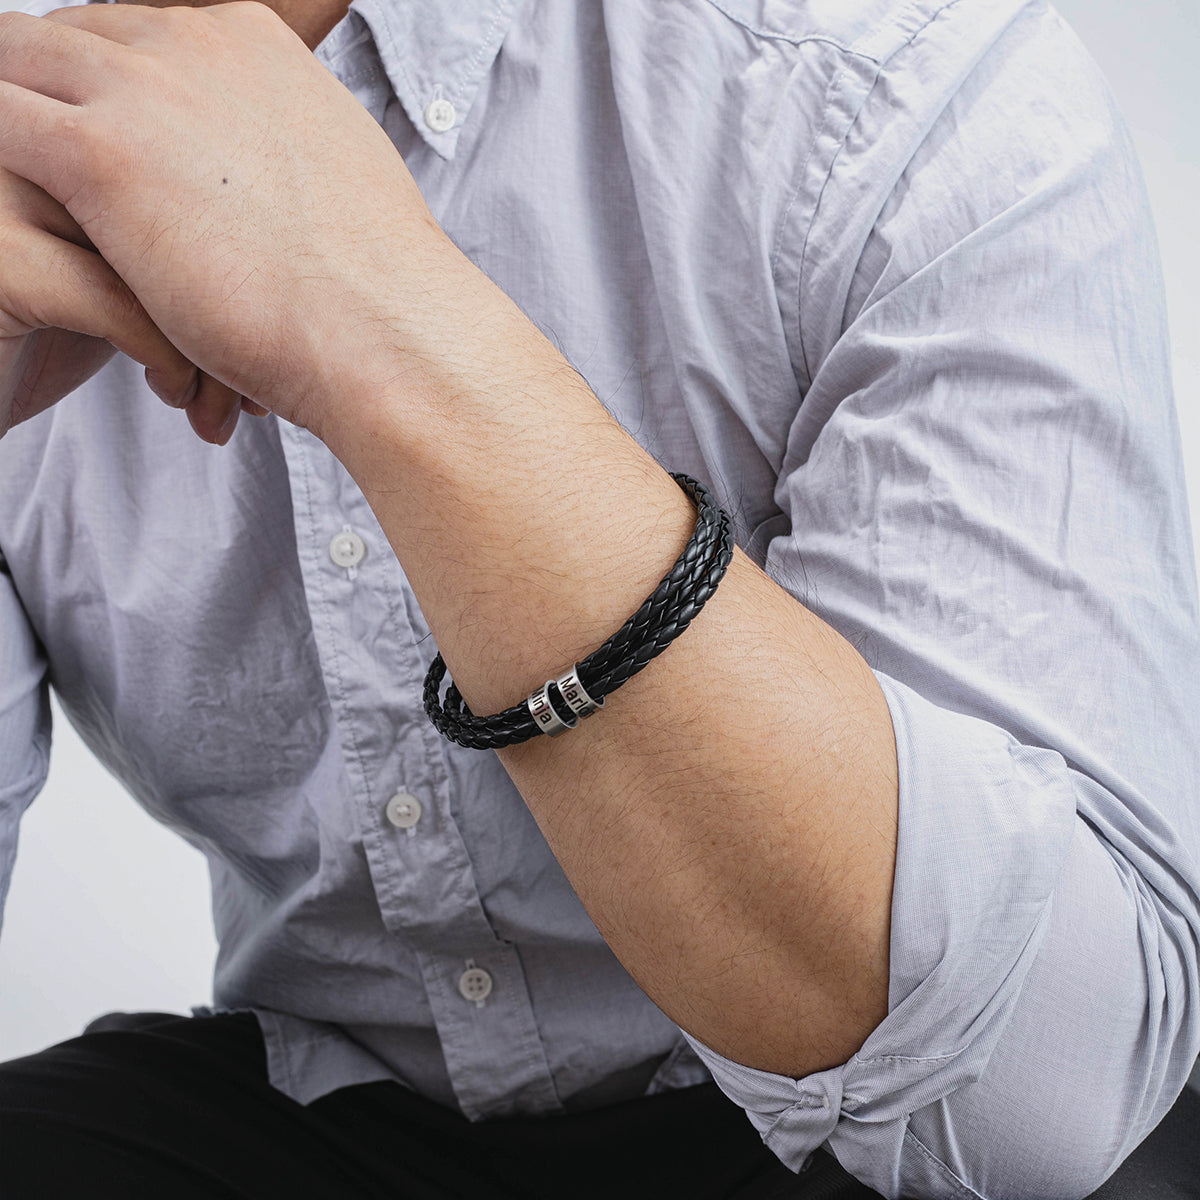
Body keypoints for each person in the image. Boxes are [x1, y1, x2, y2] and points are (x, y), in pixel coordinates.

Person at [0, 0, 1196, 1195]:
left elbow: (1049, 1094)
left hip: (844, 1141)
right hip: (332, 1103)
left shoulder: (883, 83)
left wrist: (375, 319)